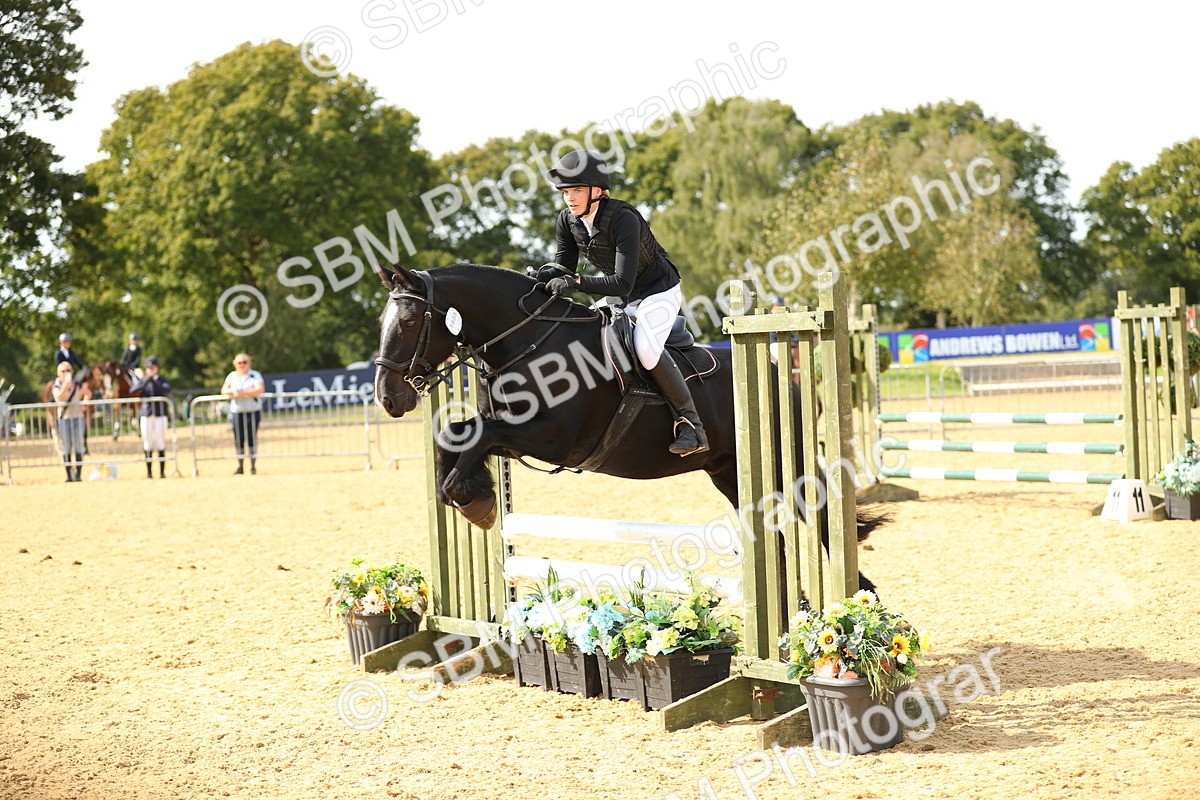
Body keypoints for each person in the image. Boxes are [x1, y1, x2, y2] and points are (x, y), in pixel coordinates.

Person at [539, 149, 708, 456]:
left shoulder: (623, 218)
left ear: (598, 191)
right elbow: (564, 264)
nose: (570, 198)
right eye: (565, 192)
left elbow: (621, 282)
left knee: (644, 349)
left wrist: (575, 283)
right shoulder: (567, 220)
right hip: (622, 295)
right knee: (584, 332)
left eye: (577, 190)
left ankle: (691, 425)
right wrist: (543, 278)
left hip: (658, 291)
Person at [221, 353, 265, 475]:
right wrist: (233, 392)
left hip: (253, 411)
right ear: (235, 364)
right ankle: (240, 466)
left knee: (251, 438)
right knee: (239, 439)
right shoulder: (232, 376)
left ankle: (252, 466)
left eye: (244, 362)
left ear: (249, 363)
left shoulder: (254, 375)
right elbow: (224, 390)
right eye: (240, 362)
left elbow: (260, 389)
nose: (242, 365)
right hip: (237, 411)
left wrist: (243, 393)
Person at [128, 355, 171, 479]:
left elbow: (166, 390)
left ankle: (162, 472)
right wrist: (144, 381)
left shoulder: (162, 380)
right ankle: (149, 472)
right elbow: (133, 390)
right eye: (149, 367)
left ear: (158, 368)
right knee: (147, 443)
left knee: (160, 442)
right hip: (146, 414)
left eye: (153, 367)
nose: (151, 369)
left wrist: (153, 381)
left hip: (160, 414)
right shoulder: (143, 380)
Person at [53, 361, 92, 482]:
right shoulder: (57, 385)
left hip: (77, 417)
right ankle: (69, 475)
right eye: (63, 371)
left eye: (68, 370)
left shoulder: (77, 383)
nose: (65, 373)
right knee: (66, 446)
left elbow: (88, 393)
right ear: (59, 373)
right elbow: (58, 397)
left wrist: (85, 403)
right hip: (64, 418)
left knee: (79, 446)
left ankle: (78, 475)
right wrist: (65, 387)